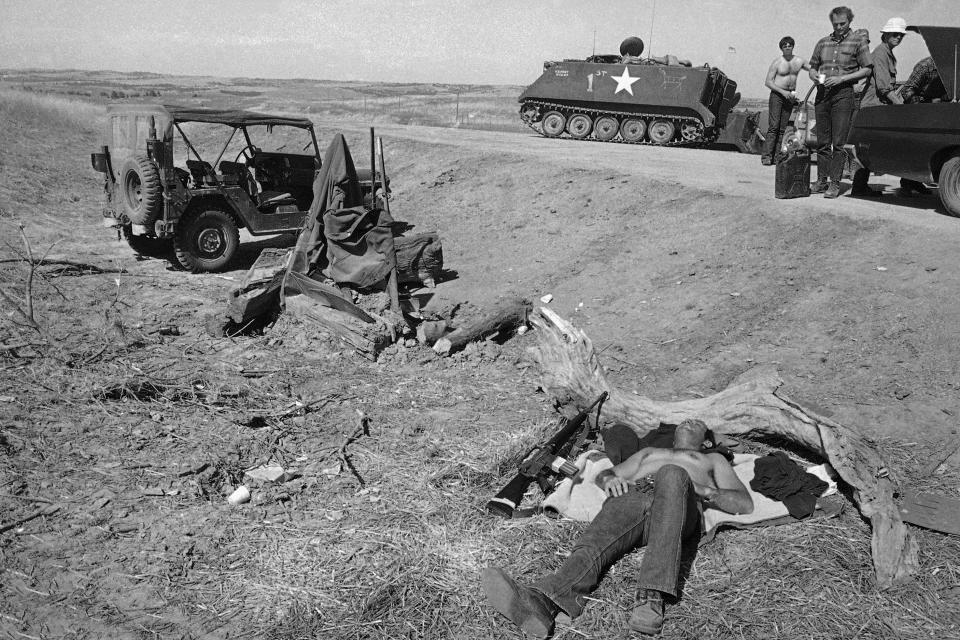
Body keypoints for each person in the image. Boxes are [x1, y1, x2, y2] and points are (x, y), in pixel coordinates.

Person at [480, 419, 753, 638]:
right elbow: (607, 474)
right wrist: (609, 480)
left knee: (671, 473)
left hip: (678, 503)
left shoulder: (713, 460)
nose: (687, 422)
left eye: (696, 423)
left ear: (705, 441)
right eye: (684, 421)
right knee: (594, 543)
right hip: (635, 494)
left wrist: (700, 488)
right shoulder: (649, 453)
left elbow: (742, 503)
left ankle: (650, 596)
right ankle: (544, 600)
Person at [807, 6, 873, 199]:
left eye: (842, 24)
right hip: (822, 94)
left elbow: (867, 70)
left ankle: (835, 184)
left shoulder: (858, 41)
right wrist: (815, 77)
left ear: (850, 21)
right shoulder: (822, 42)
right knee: (822, 141)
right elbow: (812, 68)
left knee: (839, 142)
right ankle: (821, 180)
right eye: (835, 24)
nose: (838, 27)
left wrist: (842, 79)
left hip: (843, 94)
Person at [849, 17, 908, 197]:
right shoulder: (881, 53)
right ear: (886, 34)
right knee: (867, 147)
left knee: (869, 147)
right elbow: (884, 88)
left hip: (877, 107)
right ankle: (859, 187)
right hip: (874, 108)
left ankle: (860, 187)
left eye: (901, 35)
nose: (898, 37)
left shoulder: (887, 53)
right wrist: (903, 108)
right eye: (894, 34)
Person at [761, 36, 810, 166]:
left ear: (793, 46)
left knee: (783, 128)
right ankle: (766, 157)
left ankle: (778, 157)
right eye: (785, 45)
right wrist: (783, 92)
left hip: (790, 97)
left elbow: (812, 69)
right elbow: (768, 82)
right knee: (774, 127)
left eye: (789, 45)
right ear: (781, 48)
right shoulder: (777, 62)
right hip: (778, 95)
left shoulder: (799, 61)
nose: (787, 47)